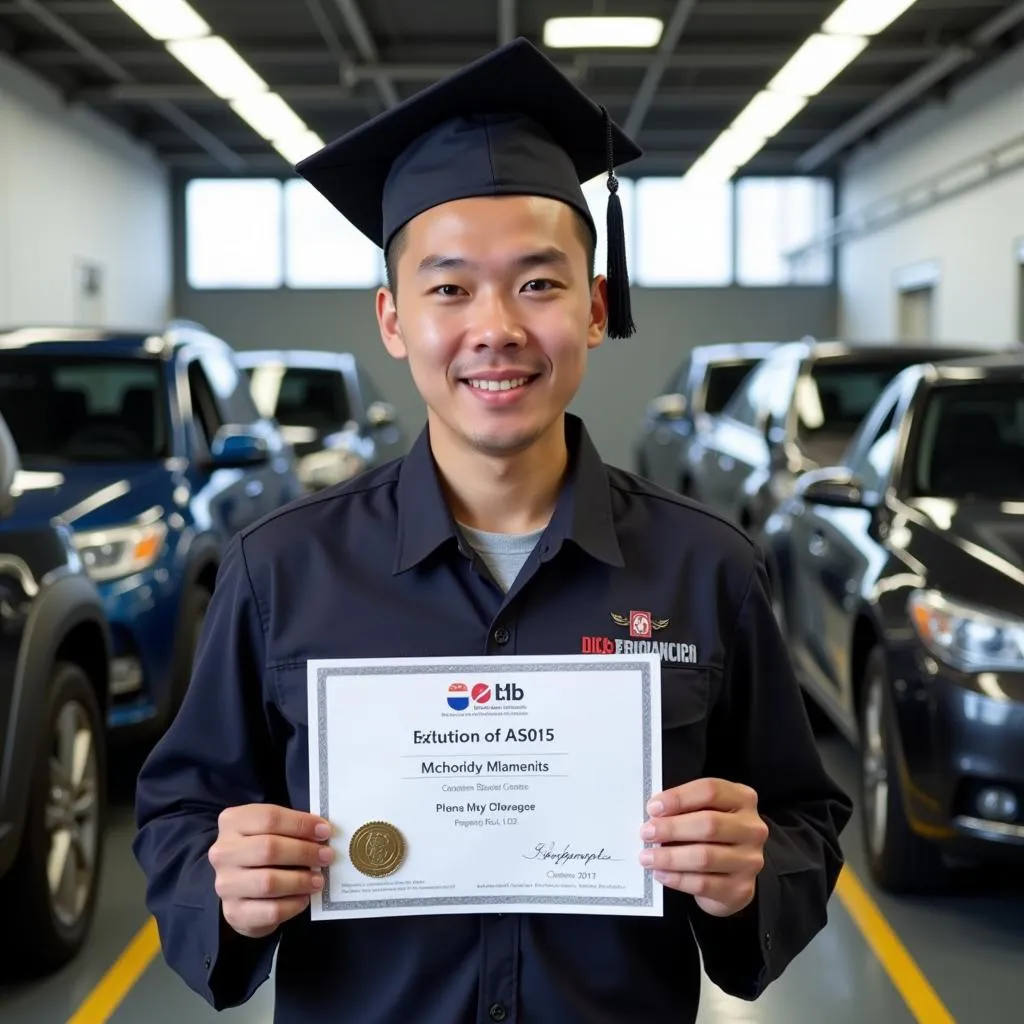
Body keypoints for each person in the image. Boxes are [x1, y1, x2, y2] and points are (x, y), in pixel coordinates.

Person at [133, 37, 852, 1024]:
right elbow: (179, 812)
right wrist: (220, 884)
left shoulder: (707, 570)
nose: (496, 327)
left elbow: (805, 813)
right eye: (448, 287)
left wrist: (755, 873)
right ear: (393, 319)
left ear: (595, 308)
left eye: (539, 282)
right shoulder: (282, 571)